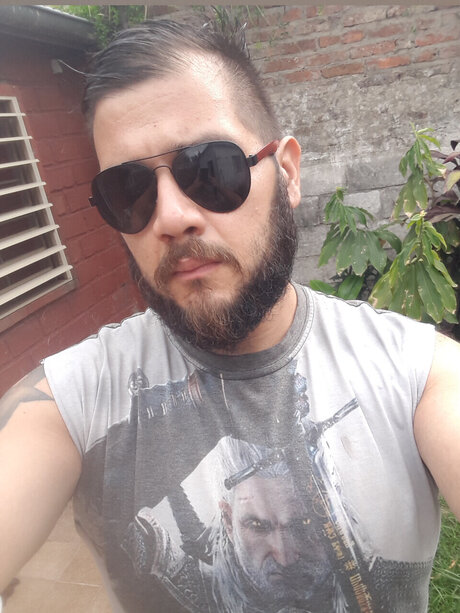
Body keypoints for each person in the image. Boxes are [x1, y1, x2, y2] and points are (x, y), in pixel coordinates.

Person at [0, 17, 459, 613]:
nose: (171, 217)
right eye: (130, 191)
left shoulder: (418, 375)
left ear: (286, 173)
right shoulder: (74, 400)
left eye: (210, 169)